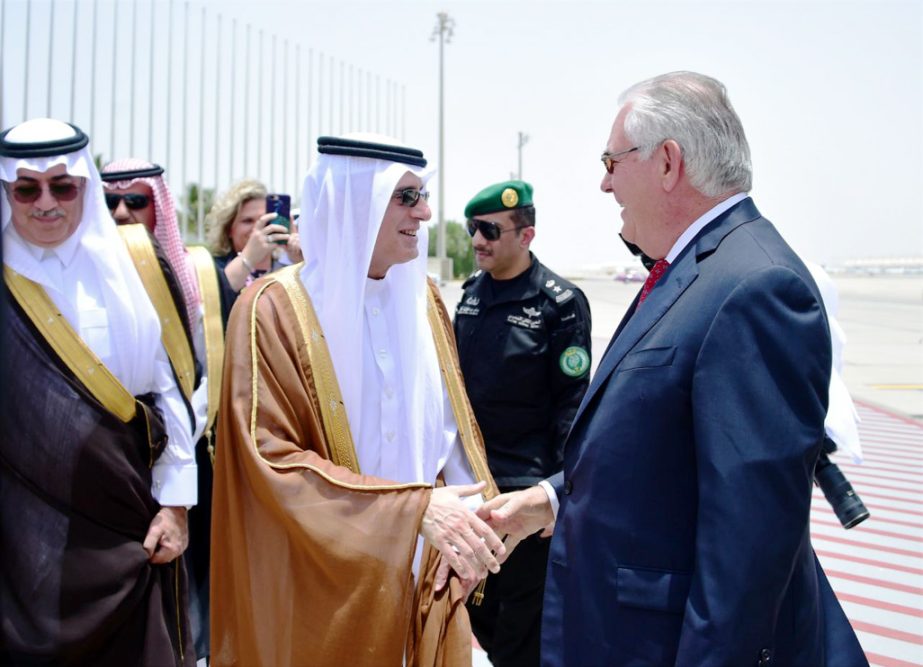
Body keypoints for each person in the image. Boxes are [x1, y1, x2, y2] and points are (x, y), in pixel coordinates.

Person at [478, 72, 867, 666]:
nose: (604, 184)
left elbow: (747, 550)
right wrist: (552, 500)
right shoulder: (698, 268)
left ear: (667, 162)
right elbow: (660, 449)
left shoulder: (754, 286)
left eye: (612, 162)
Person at [210, 135, 507, 667]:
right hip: (322, 585)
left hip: (422, 576)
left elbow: (449, 438)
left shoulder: (426, 300)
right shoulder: (272, 309)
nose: (426, 211)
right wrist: (412, 510)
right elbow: (268, 460)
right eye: (407, 197)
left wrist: (468, 524)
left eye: (422, 195)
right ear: (356, 199)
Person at [0, 118, 196, 664]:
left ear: (84, 186)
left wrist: (176, 505)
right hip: (21, 534)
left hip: (127, 524)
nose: (46, 203)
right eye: (26, 188)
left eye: (62, 186)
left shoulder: (127, 268)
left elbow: (165, 393)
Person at [454, 179, 591, 666]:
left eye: (490, 229)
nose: (477, 240)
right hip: (472, 490)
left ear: (525, 235)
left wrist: (560, 496)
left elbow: (572, 409)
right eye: (473, 228)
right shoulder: (470, 295)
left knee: (521, 633)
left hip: (524, 498)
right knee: (479, 617)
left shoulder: (559, 303)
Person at [102, 158, 232, 659]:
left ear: (158, 207)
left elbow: (206, 372)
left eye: (136, 201)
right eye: (112, 201)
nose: (121, 213)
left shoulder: (193, 273)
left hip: (183, 453)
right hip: (110, 458)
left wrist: (171, 438)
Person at [205, 178, 302, 293]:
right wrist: (249, 257)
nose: (258, 228)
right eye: (248, 221)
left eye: (264, 219)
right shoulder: (212, 268)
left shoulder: (287, 267)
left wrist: (300, 263)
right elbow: (216, 298)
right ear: (229, 229)